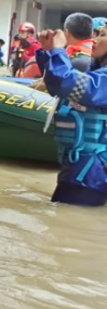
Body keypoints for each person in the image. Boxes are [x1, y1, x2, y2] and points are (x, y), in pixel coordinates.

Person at [37, 28, 107, 207]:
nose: (94, 40)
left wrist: (58, 50)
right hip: (82, 170)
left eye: (103, 35)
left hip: (90, 174)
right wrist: (48, 51)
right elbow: (58, 87)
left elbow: (69, 83)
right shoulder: (98, 73)